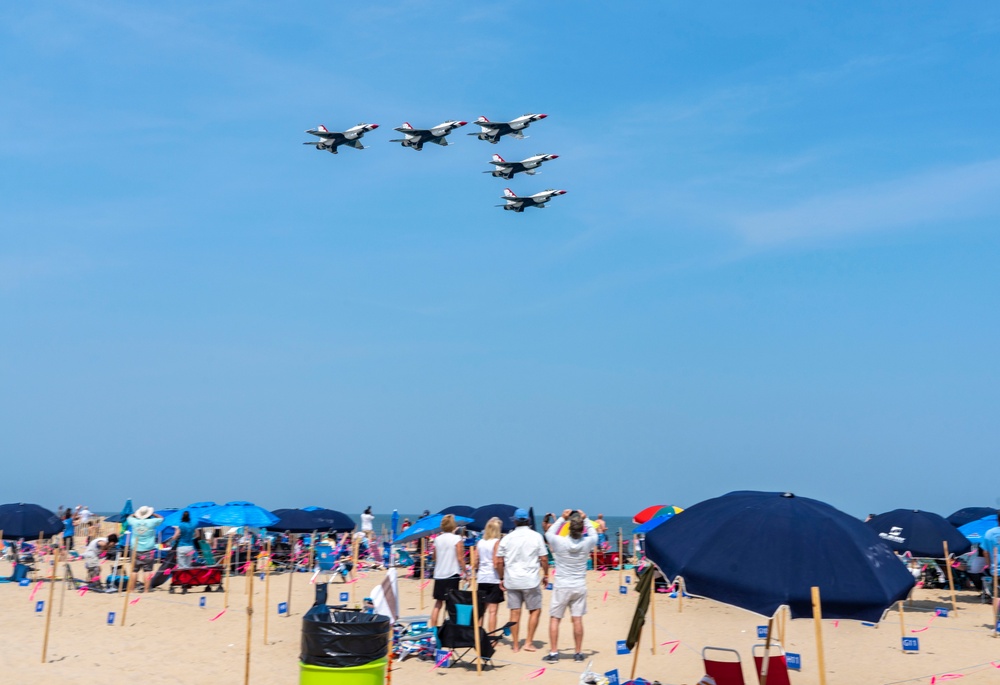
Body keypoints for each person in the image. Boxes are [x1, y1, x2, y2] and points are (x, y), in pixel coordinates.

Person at [543, 509, 598, 663]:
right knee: (577, 619)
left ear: (569, 527)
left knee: (555, 619)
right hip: (579, 585)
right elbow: (594, 535)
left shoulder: (560, 541)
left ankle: (554, 653)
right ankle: (578, 653)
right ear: (582, 529)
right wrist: (586, 518)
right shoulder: (586, 542)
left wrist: (562, 518)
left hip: (562, 585)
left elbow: (548, 533)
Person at [496, 508, 548, 653]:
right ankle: (528, 642)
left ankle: (516, 644)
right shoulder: (536, 536)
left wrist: (501, 577)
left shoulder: (507, 538)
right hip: (530, 579)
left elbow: (499, 562)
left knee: (514, 612)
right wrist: (546, 574)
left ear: (514, 521)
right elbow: (544, 558)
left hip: (512, 579)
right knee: (535, 610)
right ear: (529, 521)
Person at [430, 514, 465, 627]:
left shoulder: (437, 539)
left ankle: (434, 628)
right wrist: (466, 573)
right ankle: (453, 628)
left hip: (439, 574)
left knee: (438, 603)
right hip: (452, 574)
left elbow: (434, 557)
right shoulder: (456, 539)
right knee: (452, 603)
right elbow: (460, 558)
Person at [476, 517, 505, 632]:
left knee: (481, 610)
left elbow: (475, 561)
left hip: (482, 577)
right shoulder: (496, 543)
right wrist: (502, 577)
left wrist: (479, 569)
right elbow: (497, 562)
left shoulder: (480, 542)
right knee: (492, 611)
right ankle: (491, 637)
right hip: (493, 578)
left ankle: (478, 635)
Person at [127, 506, 163, 593]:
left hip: (135, 549)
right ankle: (146, 590)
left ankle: (132, 589)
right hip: (148, 549)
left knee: (134, 571)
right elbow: (161, 518)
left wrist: (135, 514)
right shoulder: (152, 521)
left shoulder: (134, 521)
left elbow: (128, 517)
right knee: (147, 571)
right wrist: (153, 514)